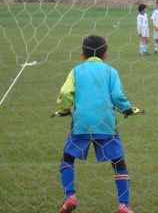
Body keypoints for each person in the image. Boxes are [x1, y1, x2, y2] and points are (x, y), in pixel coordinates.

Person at [52, 35, 145, 213]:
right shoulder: (111, 71)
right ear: (105, 54)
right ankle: (124, 205)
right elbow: (117, 96)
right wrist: (127, 109)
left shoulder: (76, 70)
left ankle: (70, 197)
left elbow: (65, 92)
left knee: (67, 158)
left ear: (82, 54)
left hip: (81, 124)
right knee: (118, 161)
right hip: (105, 122)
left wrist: (64, 110)